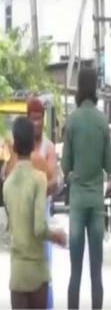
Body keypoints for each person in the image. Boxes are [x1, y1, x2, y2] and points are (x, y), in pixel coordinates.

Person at [62, 68, 111, 309]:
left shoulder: (72, 121)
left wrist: (74, 175)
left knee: (75, 272)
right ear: (94, 88)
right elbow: (109, 166)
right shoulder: (102, 121)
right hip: (95, 202)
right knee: (96, 272)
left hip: (77, 202)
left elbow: (65, 166)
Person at [4, 117, 66, 309]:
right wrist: (57, 236)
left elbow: (11, 227)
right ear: (33, 144)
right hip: (37, 270)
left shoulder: (7, 185)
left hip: (17, 271)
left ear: (14, 146)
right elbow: (39, 228)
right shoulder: (39, 179)